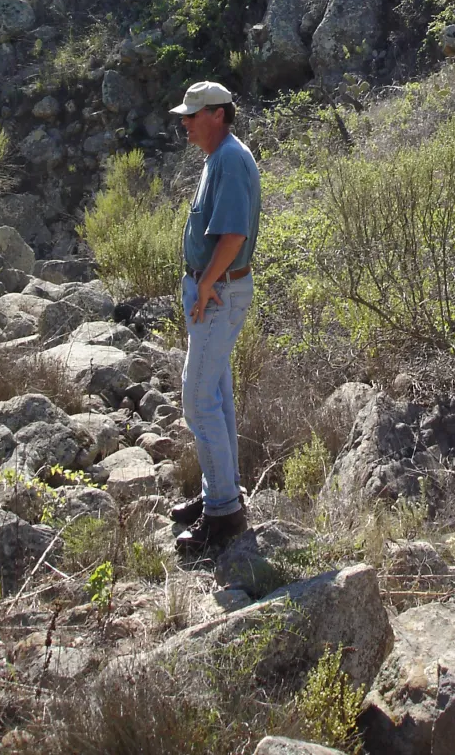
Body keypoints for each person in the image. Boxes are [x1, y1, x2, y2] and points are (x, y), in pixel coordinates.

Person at [168, 80, 261, 554]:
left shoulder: (228, 158)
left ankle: (223, 512)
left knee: (199, 399)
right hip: (216, 290)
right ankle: (218, 497)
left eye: (192, 114)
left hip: (219, 293)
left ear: (218, 115)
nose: (185, 122)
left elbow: (232, 236)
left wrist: (205, 287)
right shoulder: (220, 156)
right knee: (217, 394)